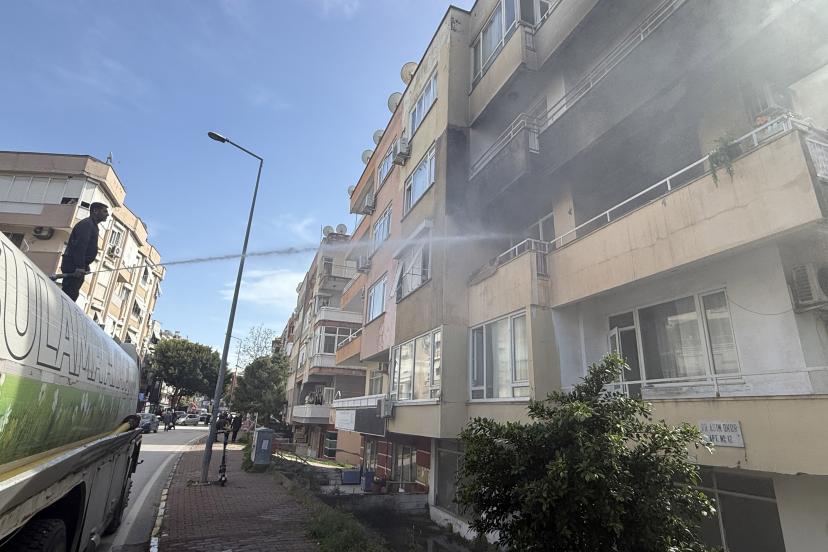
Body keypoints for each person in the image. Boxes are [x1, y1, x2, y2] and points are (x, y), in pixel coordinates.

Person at [60, 202, 109, 301]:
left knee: (72, 294)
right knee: (69, 295)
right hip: (73, 266)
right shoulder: (87, 224)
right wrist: (80, 266)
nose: (107, 214)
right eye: (104, 211)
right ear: (95, 211)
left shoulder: (93, 226)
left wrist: (84, 265)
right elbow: (80, 246)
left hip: (77, 266)